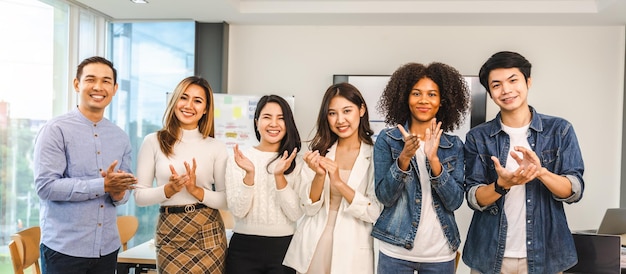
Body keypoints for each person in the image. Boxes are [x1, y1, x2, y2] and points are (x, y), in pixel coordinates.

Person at [462, 51, 585, 273]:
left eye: (513, 80)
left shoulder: (560, 130)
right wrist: (502, 185)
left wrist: (541, 173)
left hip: (546, 254)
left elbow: (573, 191)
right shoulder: (477, 137)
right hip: (489, 255)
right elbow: (474, 197)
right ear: (490, 93)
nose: (506, 90)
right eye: (496, 85)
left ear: (528, 82)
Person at [34, 56, 137, 274]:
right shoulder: (55, 130)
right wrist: (102, 185)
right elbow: (45, 187)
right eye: (91, 79)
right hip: (64, 251)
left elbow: (122, 196)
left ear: (115, 88)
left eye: (106, 81)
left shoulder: (120, 137)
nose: (98, 87)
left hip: (107, 249)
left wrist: (118, 191)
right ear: (77, 84)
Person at [371, 62, 470, 274]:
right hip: (395, 251)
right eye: (416, 93)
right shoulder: (388, 141)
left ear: (442, 102)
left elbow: (454, 202)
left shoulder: (454, 145)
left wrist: (434, 160)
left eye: (432, 94)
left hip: (440, 253)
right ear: (405, 99)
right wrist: (404, 157)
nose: (424, 100)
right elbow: (385, 197)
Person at [283, 82, 382, 274]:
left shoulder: (376, 155)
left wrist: (338, 182)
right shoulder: (317, 153)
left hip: (352, 247)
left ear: (361, 110)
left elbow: (374, 212)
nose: (340, 120)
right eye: (332, 113)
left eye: (347, 111)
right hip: (315, 242)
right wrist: (319, 176)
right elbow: (308, 208)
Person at [134, 76, 229, 274]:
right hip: (169, 232)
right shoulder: (153, 141)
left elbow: (226, 200)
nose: (189, 105)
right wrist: (169, 190)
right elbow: (139, 197)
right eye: (184, 98)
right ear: (174, 101)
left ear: (205, 109)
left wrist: (196, 190)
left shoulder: (216, 147)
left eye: (197, 100)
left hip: (208, 233)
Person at [225, 95, 303, 274]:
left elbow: (295, 213)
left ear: (288, 123)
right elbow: (238, 211)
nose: (274, 124)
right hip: (243, 248)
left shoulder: (296, 162)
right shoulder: (238, 159)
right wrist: (249, 176)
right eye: (267, 117)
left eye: (281, 118)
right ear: (256, 121)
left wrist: (279, 177)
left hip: (284, 248)